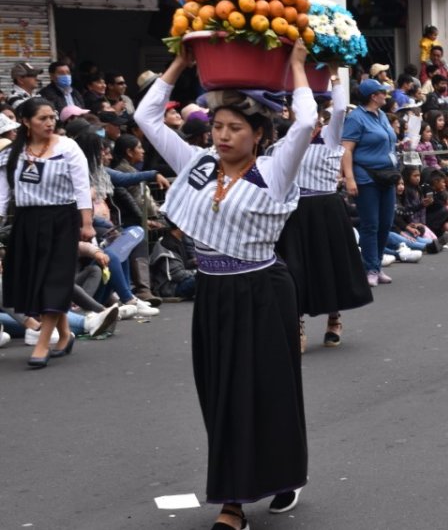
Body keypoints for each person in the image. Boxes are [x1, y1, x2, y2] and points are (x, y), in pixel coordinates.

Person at [134, 41, 315, 530]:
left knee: (267, 391)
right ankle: (237, 490)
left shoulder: (275, 172)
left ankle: (247, 495)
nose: (223, 135)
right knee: (221, 393)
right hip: (214, 293)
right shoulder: (196, 165)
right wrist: (179, 64)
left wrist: (297, 66)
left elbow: (305, 124)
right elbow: (147, 117)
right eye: (217, 127)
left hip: (262, 291)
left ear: (258, 134)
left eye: (235, 128)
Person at [276, 72, 372, 351]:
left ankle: (334, 319)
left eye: (316, 118)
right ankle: (298, 323)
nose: (311, 123)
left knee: (330, 265)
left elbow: (340, 108)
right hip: (295, 211)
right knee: (296, 268)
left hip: (327, 208)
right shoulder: (283, 145)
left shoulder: (330, 140)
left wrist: (334, 75)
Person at [0, 97, 94, 368]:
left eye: (52, 117)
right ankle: (65, 333)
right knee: (36, 279)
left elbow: (81, 187)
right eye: (42, 118)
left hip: (61, 219)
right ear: (26, 122)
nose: (50, 123)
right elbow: (4, 194)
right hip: (27, 220)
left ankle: (44, 342)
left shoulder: (68, 148)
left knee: (53, 278)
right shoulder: (12, 153)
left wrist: (86, 223)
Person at [342, 78, 400, 287]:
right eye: (382, 93)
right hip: (366, 177)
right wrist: (349, 178)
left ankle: (377, 265)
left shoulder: (382, 115)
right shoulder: (356, 118)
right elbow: (346, 149)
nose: (385, 95)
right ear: (373, 96)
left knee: (385, 223)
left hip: (387, 176)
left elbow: (390, 146)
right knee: (370, 224)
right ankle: (370, 269)